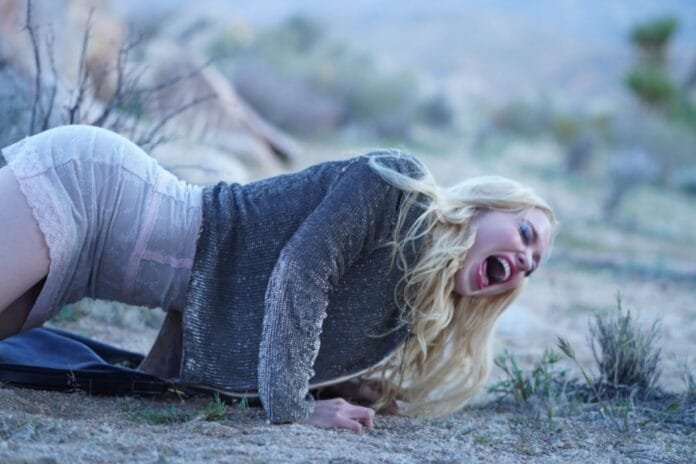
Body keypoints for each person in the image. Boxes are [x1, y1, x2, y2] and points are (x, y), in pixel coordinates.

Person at [0, 125, 555, 432]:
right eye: (526, 233)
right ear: (483, 207)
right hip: (95, 194)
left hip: (92, 268)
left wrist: (339, 387)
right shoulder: (397, 186)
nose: (524, 261)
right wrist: (293, 406)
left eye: (532, 265)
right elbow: (299, 272)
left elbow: (241, 315)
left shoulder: (400, 303)